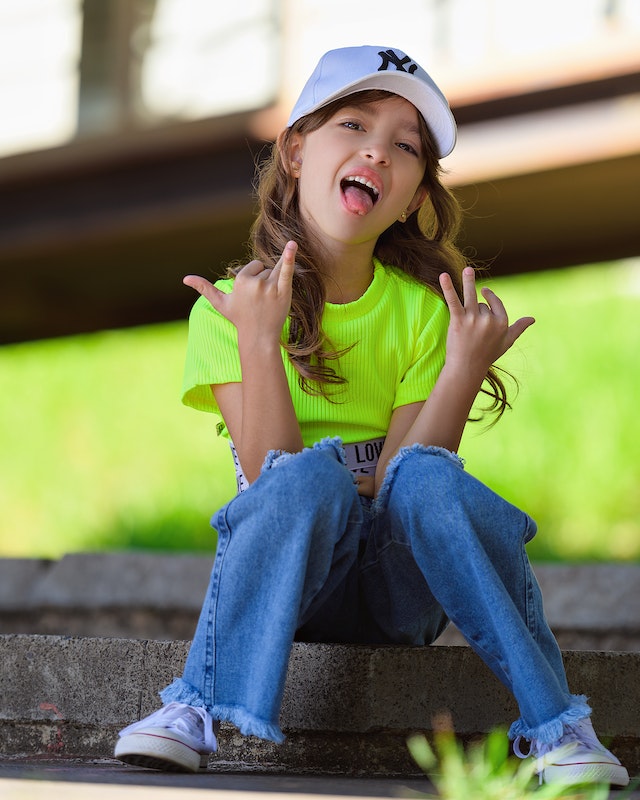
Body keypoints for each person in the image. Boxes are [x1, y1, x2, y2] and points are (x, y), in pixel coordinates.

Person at [113, 45, 630, 787]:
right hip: (294, 587)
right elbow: (270, 482)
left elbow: (408, 487)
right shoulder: (229, 313)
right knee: (303, 481)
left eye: (405, 147)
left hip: (399, 590)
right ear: (295, 150)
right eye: (353, 125)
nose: (376, 153)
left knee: (421, 477)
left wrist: (461, 370)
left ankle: (559, 726)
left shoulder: (424, 311)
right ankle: (196, 707)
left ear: (418, 193)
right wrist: (260, 344)